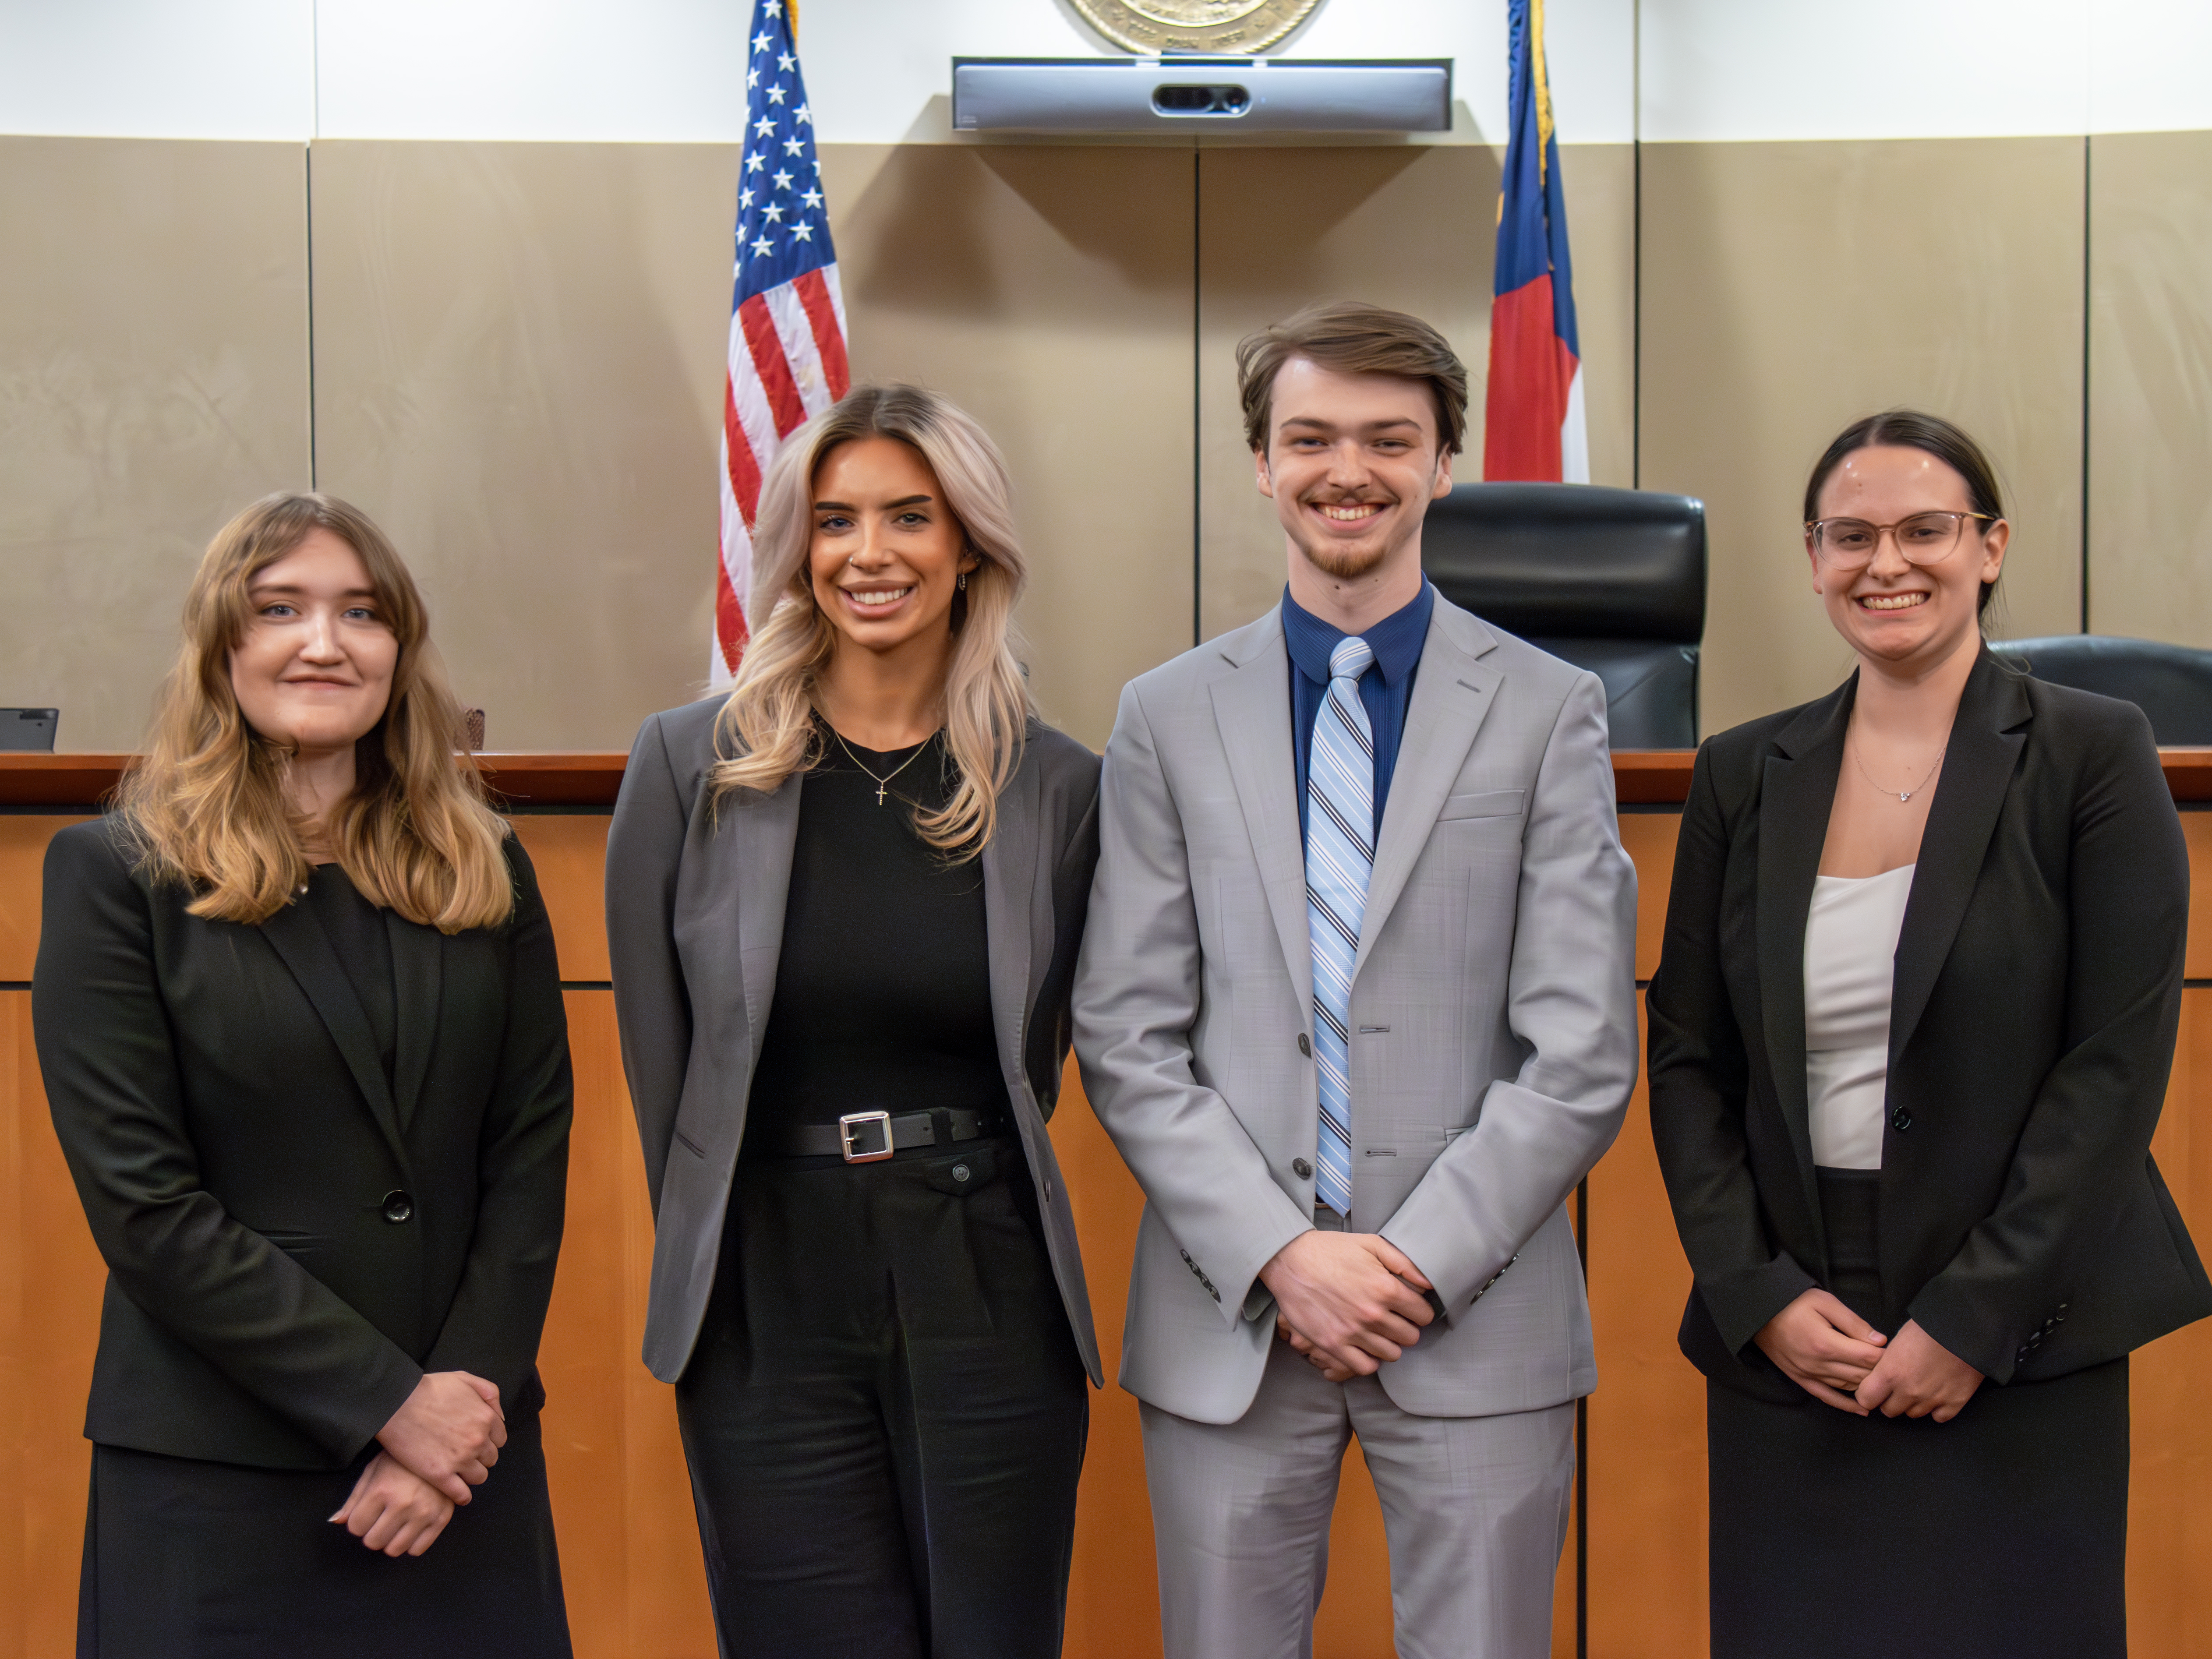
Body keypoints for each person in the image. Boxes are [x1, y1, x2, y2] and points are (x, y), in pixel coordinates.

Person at [1071, 300, 1639, 1659]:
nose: (1349, 469)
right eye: (1310, 437)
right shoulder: (1164, 713)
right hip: (1234, 1319)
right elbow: (1127, 1033)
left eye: (1391, 439)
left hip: (1477, 1308)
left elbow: (1579, 1051)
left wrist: (1408, 1264)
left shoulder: (1549, 708)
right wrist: (1284, 1256)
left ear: (1444, 461)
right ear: (1260, 463)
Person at [1646, 409, 2212, 1658]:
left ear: (1989, 546)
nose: (1883, 562)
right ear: (1809, 557)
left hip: (2017, 1330)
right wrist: (1756, 1294)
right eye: (1849, 535)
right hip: (1795, 1343)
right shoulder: (1742, 773)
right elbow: (1687, 1060)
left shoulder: (2089, 751)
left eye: (1924, 529)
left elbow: (2111, 1067)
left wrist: (1971, 1317)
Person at [606, 383, 1101, 1658]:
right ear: (797, 550)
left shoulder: (1057, 786)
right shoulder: (686, 766)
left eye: (906, 517)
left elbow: (1049, 1055)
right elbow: (666, 1076)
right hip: (765, 1278)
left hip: (983, 1266)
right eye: (834, 522)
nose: (867, 554)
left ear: (969, 544)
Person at [34, 493, 575, 1657]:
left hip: (460, 1476)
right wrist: (391, 1404)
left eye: (361, 612)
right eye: (279, 608)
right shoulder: (115, 876)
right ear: (222, 644)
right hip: (217, 1476)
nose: (323, 642)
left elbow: (528, 1159)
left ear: (401, 648)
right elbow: (147, 1209)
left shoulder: (485, 871)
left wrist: (458, 1405)